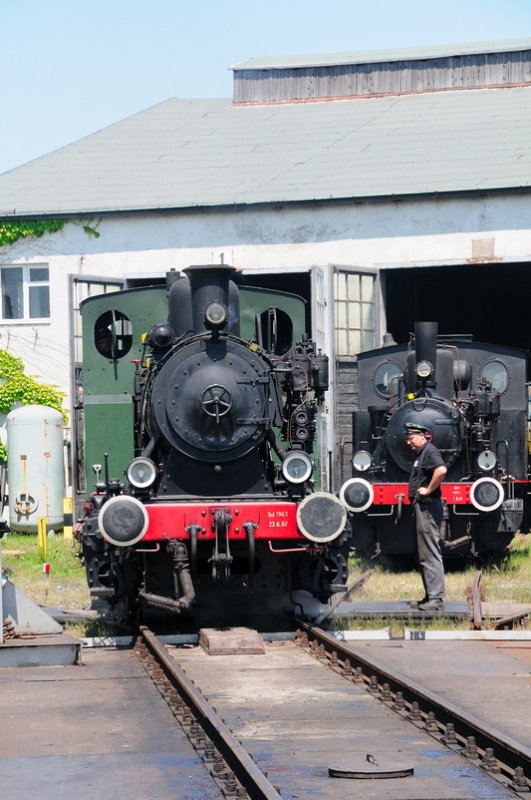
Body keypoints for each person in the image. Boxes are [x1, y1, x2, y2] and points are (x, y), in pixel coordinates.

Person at [404, 422, 447, 611]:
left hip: (428, 507)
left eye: (411, 438)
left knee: (430, 551)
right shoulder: (421, 454)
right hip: (422, 508)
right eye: (406, 439)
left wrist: (429, 489)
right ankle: (430, 595)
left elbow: (441, 470)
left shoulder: (429, 452)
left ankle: (436, 598)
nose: (408, 442)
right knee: (424, 553)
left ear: (422, 436)